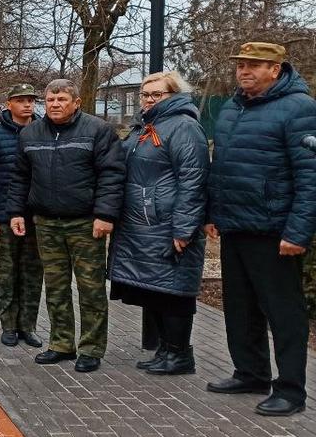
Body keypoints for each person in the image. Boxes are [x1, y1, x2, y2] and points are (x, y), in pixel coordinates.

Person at [205, 42, 316, 416]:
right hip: (235, 225)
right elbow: (220, 166)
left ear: (276, 69)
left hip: (274, 231)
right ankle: (250, 372)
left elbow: (310, 177)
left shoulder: (299, 108)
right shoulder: (234, 107)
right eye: (240, 64)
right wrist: (213, 213)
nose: (244, 71)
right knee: (240, 307)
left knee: (284, 313)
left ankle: (291, 390)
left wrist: (297, 232)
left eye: (254, 65)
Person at [8, 78, 124, 373]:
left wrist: (105, 215)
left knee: (90, 288)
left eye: (62, 99)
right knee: (56, 287)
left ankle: (91, 347)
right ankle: (61, 343)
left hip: (86, 223)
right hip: (46, 222)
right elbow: (20, 177)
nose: (55, 104)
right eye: (50, 100)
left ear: (76, 103)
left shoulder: (97, 131)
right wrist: (16, 212)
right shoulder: (31, 133)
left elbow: (111, 175)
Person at [107, 71, 208, 377]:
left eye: (157, 94)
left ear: (173, 95)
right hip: (142, 224)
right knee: (156, 289)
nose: (149, 99)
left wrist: (184, 228)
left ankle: (180, 354)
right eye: (145, 94)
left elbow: (194, 180)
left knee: (174, 292)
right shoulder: (145, 126)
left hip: (167, 224)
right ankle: (166, 350)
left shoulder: (184, 127)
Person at [0, 84, 43, 348]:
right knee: (7, 272)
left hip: (36, 215)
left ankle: (29, 325)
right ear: (9, 104)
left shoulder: (44, 132)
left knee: (32, 272)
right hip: (4, 215)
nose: (27, 105)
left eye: (31, 100)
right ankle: (9, 325)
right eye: (21, 100)